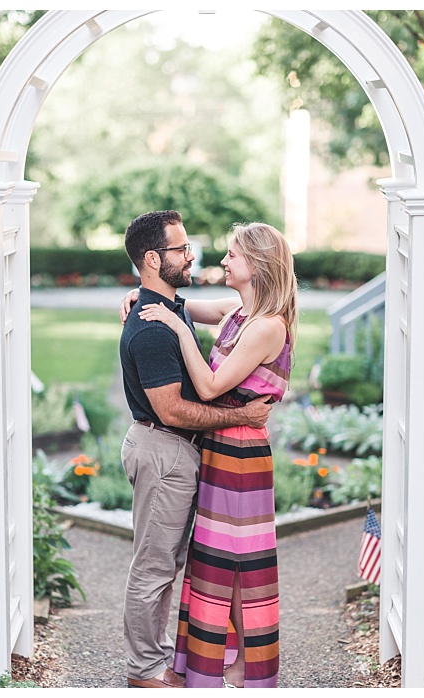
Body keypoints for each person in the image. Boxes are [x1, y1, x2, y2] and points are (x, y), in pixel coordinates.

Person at [124, 221, 297, 688]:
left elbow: (208, 386)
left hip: (240, 456)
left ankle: (247, 665)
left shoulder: (265, 326)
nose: (222, 261)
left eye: (232, 256)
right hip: (221, 449)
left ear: (257, 266)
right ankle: (220, 661)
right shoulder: (240, 311)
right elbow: (179, 305)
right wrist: (143, 299)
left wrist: (177, 327)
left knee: (240, 562)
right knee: (221, 561)